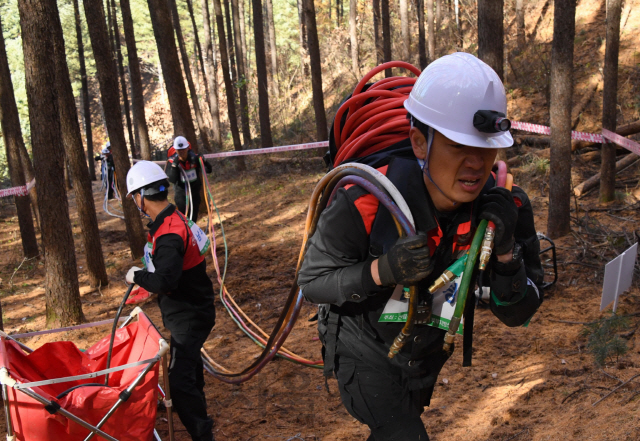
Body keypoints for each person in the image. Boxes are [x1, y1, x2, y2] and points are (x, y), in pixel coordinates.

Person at [298, 53, 544, 441]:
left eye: (486, 149)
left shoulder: (503, 208)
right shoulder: (365, 199)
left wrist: (506, 250)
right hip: (362, 348)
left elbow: (519, 314)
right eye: (457, 146)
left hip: (424, 350)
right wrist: (383, 270)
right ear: (419, 142)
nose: (475, 164)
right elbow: (312, 282)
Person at [124, 160, 216, 441]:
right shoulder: (173, 217)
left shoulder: (169, 234)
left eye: (134, 199)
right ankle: (202, 418)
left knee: (178, 382)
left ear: (140, 197)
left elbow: (165, 281)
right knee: (190, 368)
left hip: (190, 314)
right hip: (193, 309)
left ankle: (202, 434)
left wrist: (136, 277)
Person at [165, 136, 213, 222]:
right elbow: (172, 179)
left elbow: (209, 170)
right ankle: (186, 234)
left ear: (187, 148)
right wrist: (175, 166)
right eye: (179, 150)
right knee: (184, 220)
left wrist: (204, 161)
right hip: (181, 196)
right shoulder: (173, 162)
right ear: (175, 150)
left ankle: (191, 234)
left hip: (195, 194)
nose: (181, 152)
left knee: (193, 220)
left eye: (183, 149)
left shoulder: (194, 159)